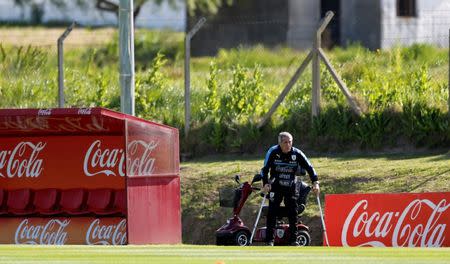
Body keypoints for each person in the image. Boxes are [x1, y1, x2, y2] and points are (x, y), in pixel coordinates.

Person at [261, 131, 319, 246]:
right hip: (276, 185)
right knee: (272, 212)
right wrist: (265, 183)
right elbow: (265, 169)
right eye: (285, 142)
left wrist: (315, 182)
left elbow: (310, 167)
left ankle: (293, 240)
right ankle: (269, 241)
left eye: (290, 142)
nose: (288, 145)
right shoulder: (273, 152)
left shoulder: (297, 153)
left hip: (291, 185)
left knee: (293, 212)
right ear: (280, 143)